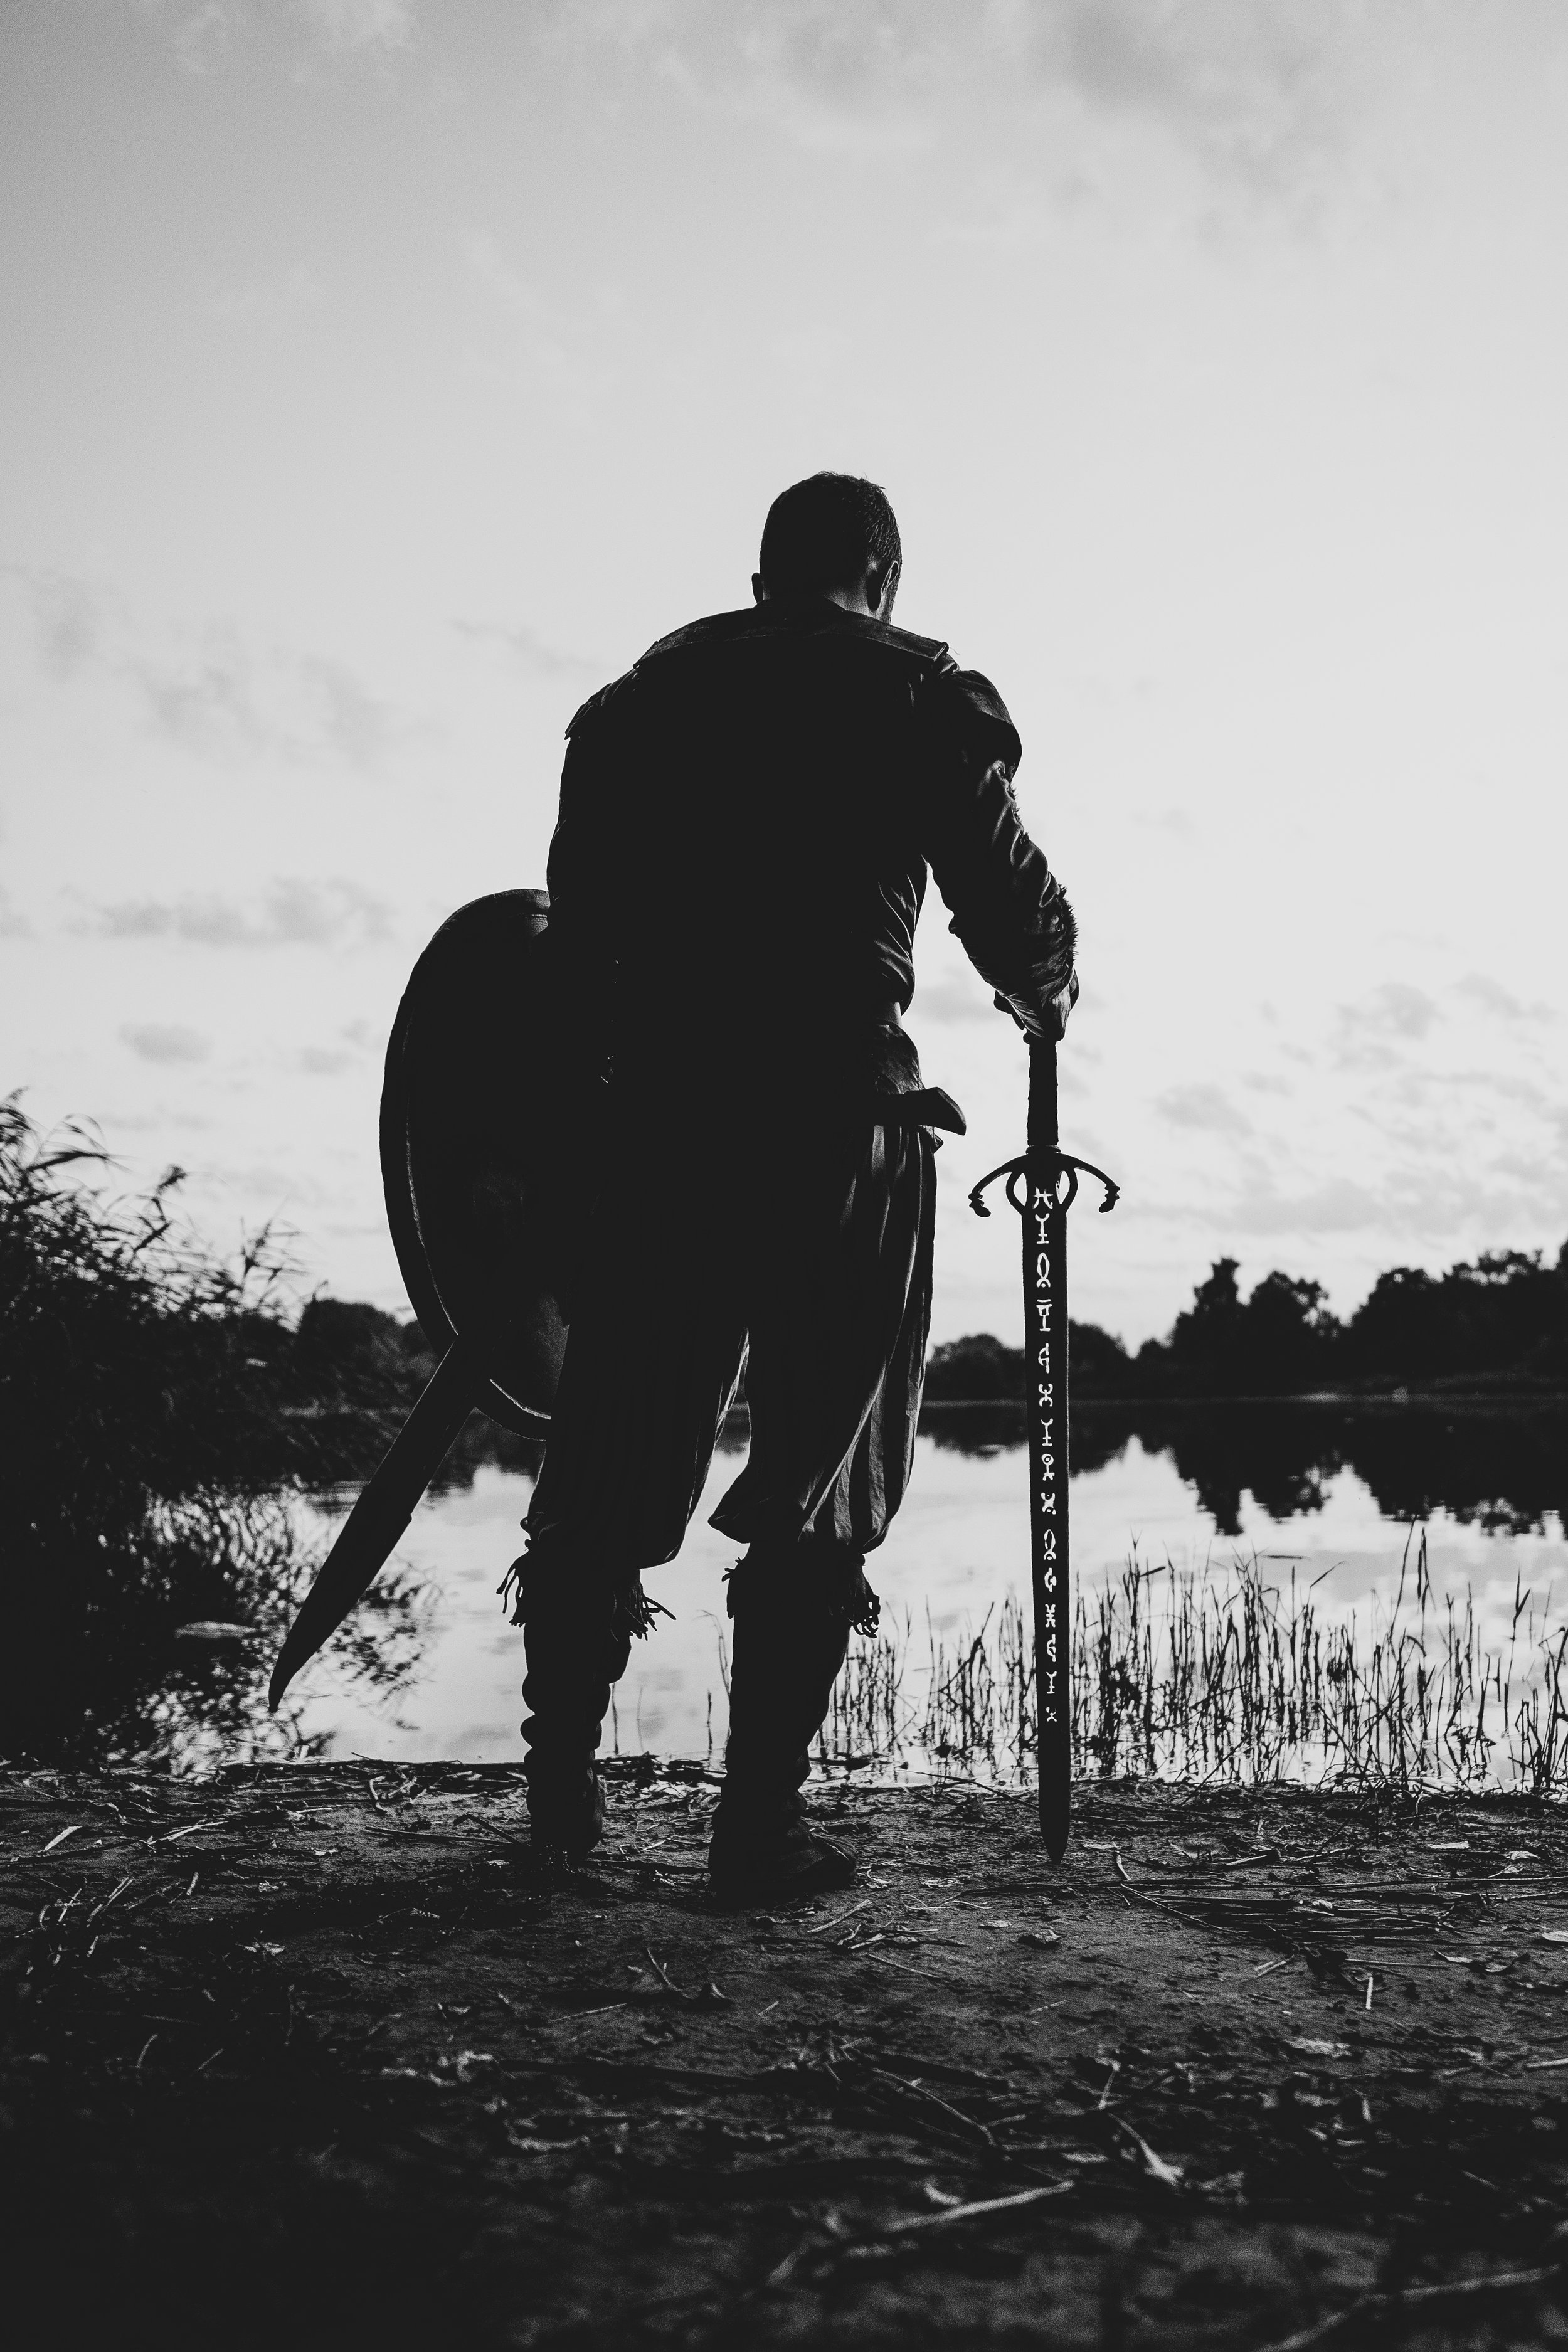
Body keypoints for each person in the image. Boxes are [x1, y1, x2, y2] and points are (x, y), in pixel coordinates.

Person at [505, 472, 1078, 1899]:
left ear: (761, 576)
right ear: (877, 576)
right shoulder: (917, 692)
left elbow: (570, 951)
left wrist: (563, 1157)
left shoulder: (631, 709)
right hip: (835, 1129)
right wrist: (1044, 988)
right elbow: (1007, 908)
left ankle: (559, 1803)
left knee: (608, 1464)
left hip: (656, 1130)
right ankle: (753, 1828)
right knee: (820, 1470)